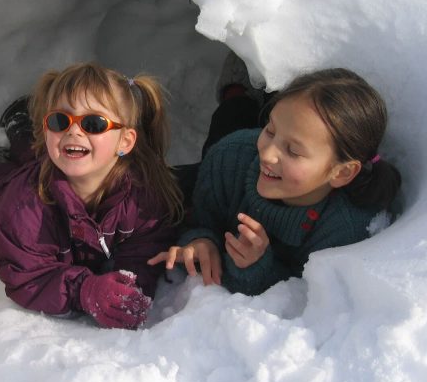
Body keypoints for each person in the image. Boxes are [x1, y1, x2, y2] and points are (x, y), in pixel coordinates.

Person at [0, 62, 185, 329]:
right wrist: (84, 290)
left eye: (93, 123)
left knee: (41, 153)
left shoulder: (141, 196)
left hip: (50, 166)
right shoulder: (22, 210)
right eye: (59, 120)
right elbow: (27, 277)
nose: (74, 130)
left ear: (125, 142)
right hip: (1, 197)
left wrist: (130, 282)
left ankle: (20, 128)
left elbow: (148, 242)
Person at [151, 63, 402, 295]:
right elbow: (200, 217)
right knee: (231, 117)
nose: (269, 154)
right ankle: (241, 85)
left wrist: (254, 265)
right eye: (270, 130)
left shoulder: (344, 228)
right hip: (237, 158)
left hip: (246, 164)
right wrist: (201, 239)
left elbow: (300, 290)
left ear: (342, 173)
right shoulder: (228, 157)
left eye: (293, 150)